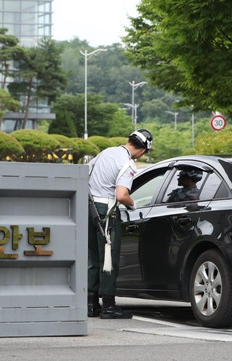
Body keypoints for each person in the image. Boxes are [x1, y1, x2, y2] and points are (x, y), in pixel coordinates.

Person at [87, 128, 153, 319]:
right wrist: (134, 204)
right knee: (109, 260)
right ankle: (108, 306)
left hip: (89, 208)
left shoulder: (105, 153)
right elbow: (121, 195)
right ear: (142, 151)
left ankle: (91, 305)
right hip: (107, 212)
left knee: (93, 258)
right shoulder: (128, 164)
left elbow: (85, 174)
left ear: (128, 140)